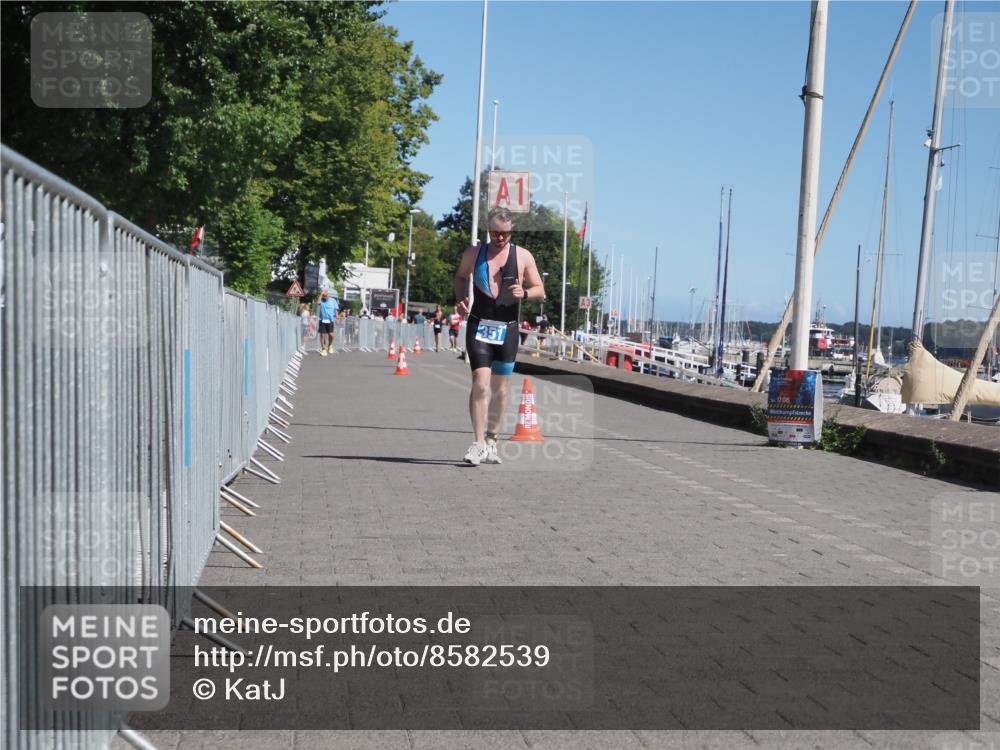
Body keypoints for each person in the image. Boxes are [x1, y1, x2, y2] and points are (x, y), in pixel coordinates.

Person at [453, 207, 544, 465]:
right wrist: (460, 299)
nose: (500, 238)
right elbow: (460, 276)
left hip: (508, 329)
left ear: (512, 231)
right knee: (480, 384)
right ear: (488, 230)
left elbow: (540, 289)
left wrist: (524, 294)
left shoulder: (522, 256)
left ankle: (492, 440)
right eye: (495, 232)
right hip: (479, 325)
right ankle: (477, 443)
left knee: (500, 391)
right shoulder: (474, 254)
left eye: (505, 233)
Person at [316, 289, 339, 356]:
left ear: (328, 295)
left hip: (330, 320)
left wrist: (337, 317)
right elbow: (317, 303)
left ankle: (330, 345)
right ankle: (323, 349)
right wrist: (321, 294)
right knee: (322, 335)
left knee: (331, 335)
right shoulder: (321, 300)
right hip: (322, 320)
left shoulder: (333, 300)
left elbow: (336, 309)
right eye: (323, 296)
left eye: (325, 295)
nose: (324, 297)